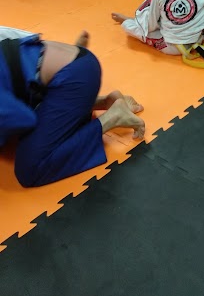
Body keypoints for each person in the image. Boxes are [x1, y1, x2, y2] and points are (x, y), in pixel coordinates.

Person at [0, 27, 145, 187]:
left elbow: (26, 119)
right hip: (71, 63)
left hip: (75, 77)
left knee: (30, 169)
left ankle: (113, 117)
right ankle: (97, 102)